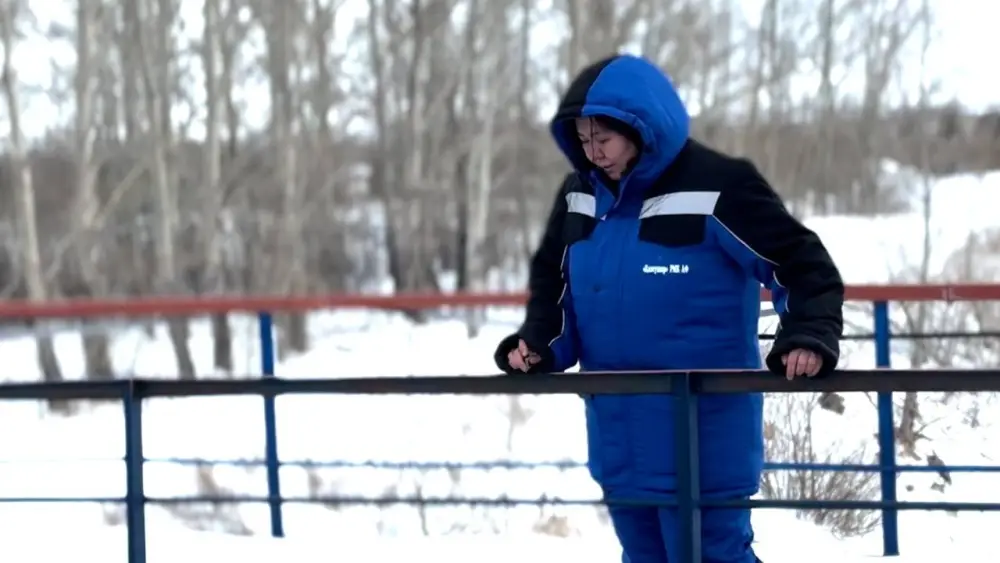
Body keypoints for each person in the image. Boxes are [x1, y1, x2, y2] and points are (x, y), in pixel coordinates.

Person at [494, 54, 844, 563]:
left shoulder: (720, 184)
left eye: (604, 140)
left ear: (640, 127)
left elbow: (802, 264)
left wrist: (808, 333)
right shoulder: (580, 197)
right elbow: (557, 288)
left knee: (713, 556)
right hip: (619, 435)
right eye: (584, 141)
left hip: (702, 435)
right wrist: (538, 345)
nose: (594, 155)